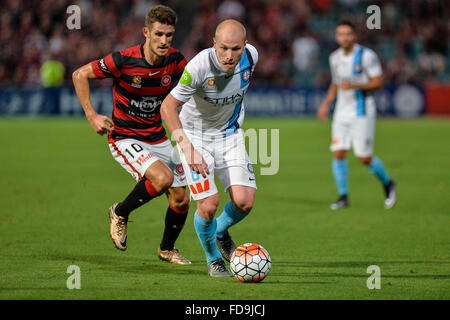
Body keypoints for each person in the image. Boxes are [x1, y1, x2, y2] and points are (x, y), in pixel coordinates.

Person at [72, 5, 191, 264]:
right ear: (145, 32)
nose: (164, 41)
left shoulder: (177, 61)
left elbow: (192, 89)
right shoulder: (123, 60)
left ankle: (167, 249)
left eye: (169, 35)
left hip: (157, 136)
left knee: (181, 199)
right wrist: (92, 115)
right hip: (125, 137)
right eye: (158, 34)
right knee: (162, 179)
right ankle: (119, 212)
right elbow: (79, 74)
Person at [161, 19, 258, 277]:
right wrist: (188, 148)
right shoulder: (199, 67)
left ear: (245, 46)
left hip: (230, 135)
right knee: (209, 204)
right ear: (213, 43)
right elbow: (167, 107)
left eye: (236, 49)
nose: (229, 56)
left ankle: (219, 232)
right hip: (195, 138)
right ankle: (213, 259)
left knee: (244, 201)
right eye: (223, 48)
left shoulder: (252, 58)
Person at [317, 20, 397, 210]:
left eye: (348, 34)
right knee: (338, 153)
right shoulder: (334, 57)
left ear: (354, 36)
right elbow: (336, 83)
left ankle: (388, 183)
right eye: (340, 34)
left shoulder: (367, 56)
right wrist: (326, 103)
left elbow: (378, 82)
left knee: (364, 157)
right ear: (336, 37)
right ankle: (343, 196)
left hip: (362, 111)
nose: (344, 37)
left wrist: (355, 85)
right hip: (341, 112)